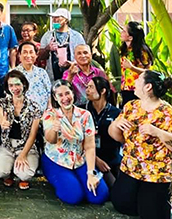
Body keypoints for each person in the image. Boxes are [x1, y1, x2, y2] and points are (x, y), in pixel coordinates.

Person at [109, 70, 172, 219]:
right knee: (121, 203)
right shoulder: (131, 106)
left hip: (156, 173)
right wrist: (116, 124)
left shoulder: (167, 112)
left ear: (148, 87)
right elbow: (116, 136)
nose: (134, 82)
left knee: (151, 214)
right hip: (130, 167)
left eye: (138, 79)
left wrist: (157, 132)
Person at [42, 79, 109, 205]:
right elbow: (51, 140)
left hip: (79, 160)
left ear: (73, 94)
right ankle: (60, 180)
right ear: (55, 98)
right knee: (74, 197)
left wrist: (91, 173)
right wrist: (54, 129)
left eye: (67, 93)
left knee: (99, 196)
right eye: (60, 95)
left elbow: (89, 146)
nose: (65, 98)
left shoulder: (85, 115)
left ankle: (80, 180)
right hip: (57, 161)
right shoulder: (50, 114)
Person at [0, 70, 41, 190]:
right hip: (8, 145)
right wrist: (2, 122)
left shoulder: (34, 107)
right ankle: (8, 172)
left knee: (24, 174)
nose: (15, 88)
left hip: (26, 146)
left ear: (24, 84)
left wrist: (23, 155)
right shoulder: (1, 102)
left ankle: (18, 172)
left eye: (17, 84)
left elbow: (33, 135)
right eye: (11, 85)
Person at [83, 77, 121, 187]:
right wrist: (96, 160)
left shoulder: (116, 113)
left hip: (112, 159)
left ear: (103, 91)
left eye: (91, 87)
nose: (87, 90)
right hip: (91, 158)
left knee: (123, 189)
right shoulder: (83, 111)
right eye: (87, 87)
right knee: (112, 189)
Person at [40, 8, 86, 82]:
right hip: (53, 78)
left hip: (73, 77)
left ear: (66, 20)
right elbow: (40, 57)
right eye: (53, 18)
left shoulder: (76, 36)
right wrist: (47, 48)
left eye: (57, 17)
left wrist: (72, 64)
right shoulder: (48, 35)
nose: (54, 20)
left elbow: (84, 56)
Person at [120, 21, 153, 106]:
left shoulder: (141, 51)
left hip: (138, 89)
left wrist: (131, 67)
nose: (121, 33)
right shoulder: (126, 50)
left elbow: (148, 72)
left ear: (130, 37)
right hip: (126, 89)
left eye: (124, 31)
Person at [15, 41, 51, 114]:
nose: (28, 55)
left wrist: (49, 111)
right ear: (19, 55)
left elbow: (49, 94)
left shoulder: (42, 73)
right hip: (23, 116)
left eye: (31, 52)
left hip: (44, 115)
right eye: (25, 52)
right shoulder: (14, 74)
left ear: (36, 55)